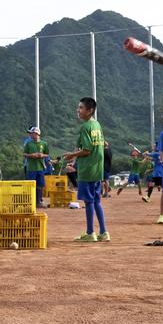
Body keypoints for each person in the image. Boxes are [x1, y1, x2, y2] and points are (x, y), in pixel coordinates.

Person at [63, 97, 109, 242]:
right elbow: (101, 145)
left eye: (81, 108)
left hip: (87, 169)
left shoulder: (85, 127)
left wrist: (72, 155)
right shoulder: (97, 125)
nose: (78, 110)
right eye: (78, 107)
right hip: (97, 169)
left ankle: (90, 233)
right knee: (96, 201)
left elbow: (87, 150)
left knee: (89, 202)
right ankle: (103, 232)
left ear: (90, 110)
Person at [23, 126, 49, 209]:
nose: (30, 135)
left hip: (40, 168)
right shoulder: (28, 144)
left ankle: (38, 202)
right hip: (31, 168)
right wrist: (31, 155)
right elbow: (24, 154)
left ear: (37, 134)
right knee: (30, 185)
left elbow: (47, 154)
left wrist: (42, 155)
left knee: (40, 185)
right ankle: (29, 202)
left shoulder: (44, 144)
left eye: (31, 133)